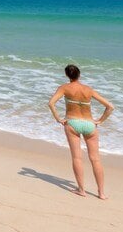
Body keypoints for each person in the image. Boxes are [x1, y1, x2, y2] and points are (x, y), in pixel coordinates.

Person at [48, 64, 114, 199]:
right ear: (79, 74)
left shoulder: (64, 88)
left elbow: (51, 103)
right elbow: (110, 107)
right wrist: (100, 120)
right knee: (95, 159)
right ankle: (101, 193)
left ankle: (82, 190)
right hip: (90, 124)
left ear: (67, 75)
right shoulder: (88, 89)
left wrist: (58, 119)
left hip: (72, 123)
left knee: (77, 157)